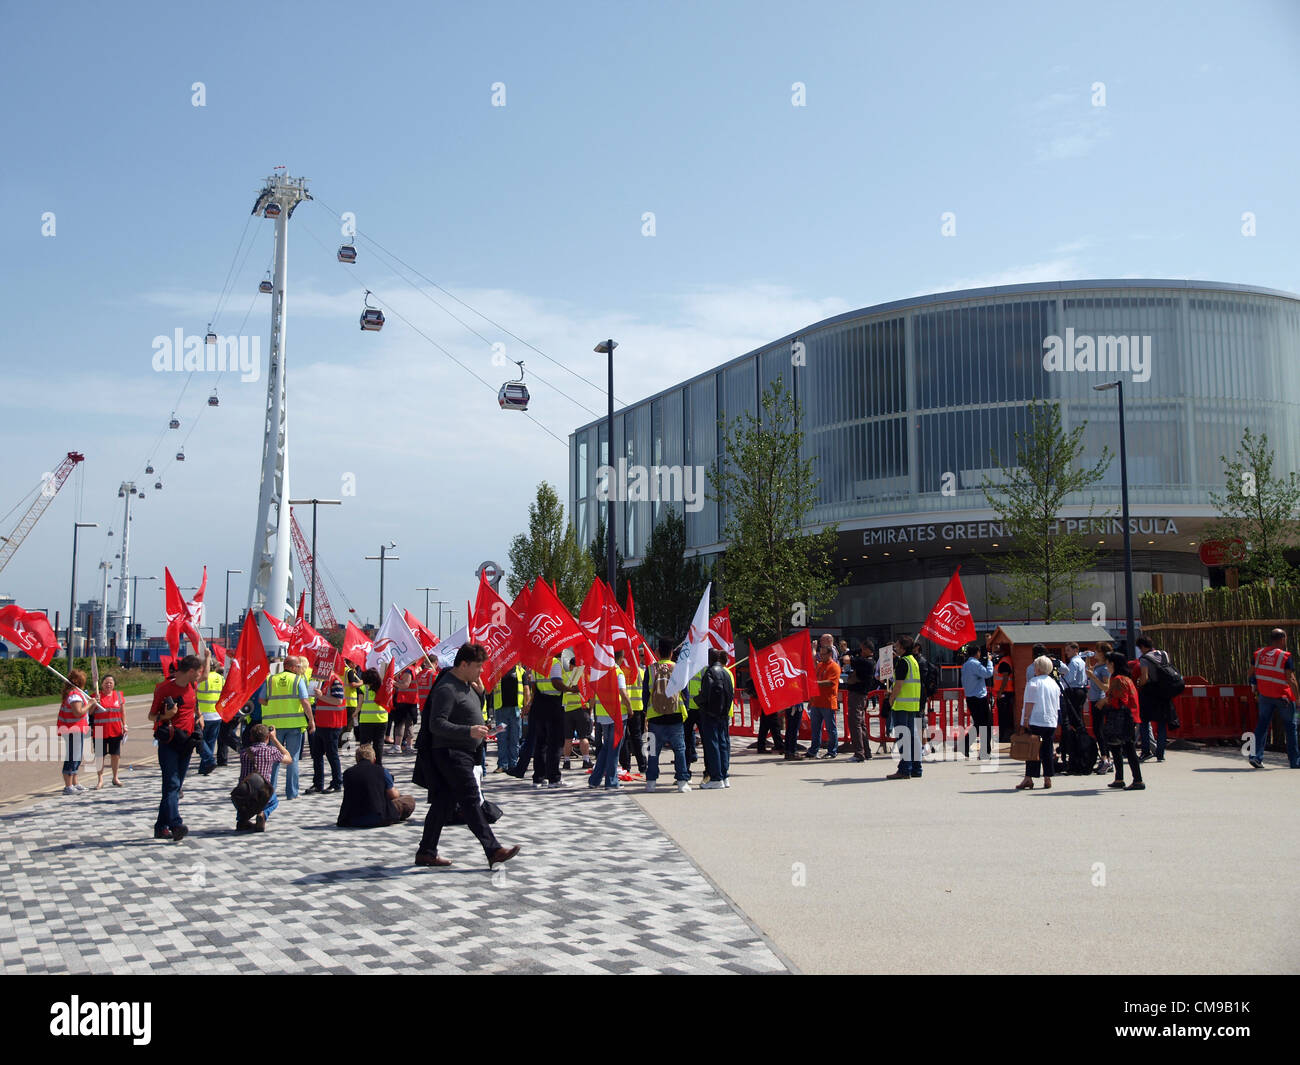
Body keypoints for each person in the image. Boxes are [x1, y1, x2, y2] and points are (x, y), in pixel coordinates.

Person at [413, 643, 520, 868]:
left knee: (443, 803)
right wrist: (468, 731)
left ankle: (426, 852)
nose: (482, 671)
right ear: (464, 664)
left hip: (465, 751)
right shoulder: (447, 688)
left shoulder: (466, 685)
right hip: (451, 752)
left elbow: (469, 712)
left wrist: (480, 700)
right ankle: (493, 850)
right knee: (471, 799)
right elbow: (436, 724)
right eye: (478, 666)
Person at [148, 649, 210, 841]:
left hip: (187, 741)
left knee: (174, 787)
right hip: (169, 742)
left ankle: (161, 827)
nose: (201, 675)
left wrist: (206, 657)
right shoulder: (164, 688)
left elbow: (206, 674)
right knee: (172, 785)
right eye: (198, 671)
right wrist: (167, 715)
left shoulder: (192, 683)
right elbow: (151, 716)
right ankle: (175, 824)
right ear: (191, 671)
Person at [258, 655, 316, 803]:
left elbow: (261, 699)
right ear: (291, 666)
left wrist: (275, 704)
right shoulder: (298, 680)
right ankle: (292, 793)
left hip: (273, 727)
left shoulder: (271, 679)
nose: (299, 669)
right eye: (297, 666)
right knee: (293, 759)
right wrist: (311, 720)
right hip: (294, 725)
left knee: (274, 759)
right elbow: (304, 701)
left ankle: (270, 793)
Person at [1248, 628, 1300, 769]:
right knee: (1291, 727)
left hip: (1265, 696)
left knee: (1262, 726)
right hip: (1284, 698)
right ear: (1283, 639)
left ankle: (1255, 757)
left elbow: (1251, 672)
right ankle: (1295, 762)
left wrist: (1254, 685)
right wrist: (1298, 698)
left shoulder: (1258, 654)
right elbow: (1291, 678)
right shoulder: (1284, 656)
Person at [646, 638, 691, 792]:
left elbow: (646, 694)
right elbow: (685, 693)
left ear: (657, 652)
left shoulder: (651, 669)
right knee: (679, 749)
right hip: (675, 715)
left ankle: (651, 782)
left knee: (653, 750)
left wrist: (647, 714)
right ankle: (682, 782)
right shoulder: (678, 668)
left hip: (654, 716)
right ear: (672, 653)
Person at [1096, 651, 1144, 791]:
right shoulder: (1125, 678)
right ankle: (1119, 778)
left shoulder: (1118, 679)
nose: (1107, 665)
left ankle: (1137, 780)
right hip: (1129, 716)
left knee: (1127, 749)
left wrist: (1106, 701)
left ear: (1113, 664)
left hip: (1123, 718)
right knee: (1117, 748)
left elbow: (1121, 701)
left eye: (1108, 663)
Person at [337, 743, 417, 827]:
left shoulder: (347, 773)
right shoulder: (382, 771)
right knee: (409, 800)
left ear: (357, 759)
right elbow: (393, 794)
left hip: (352, 819)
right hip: (379, 817)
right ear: (374, 759)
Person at [233, 723, 292, 830]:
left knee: (242, 793)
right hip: (262, 794)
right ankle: (263, 814)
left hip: (244, 795)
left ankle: (242, 820)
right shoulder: (271, 751)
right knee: (274, 801)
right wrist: (274, 739)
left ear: (251, 737)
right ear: (267, 738)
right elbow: (289, 759)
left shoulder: (244, 753)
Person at [1015, 655, 1061, 790]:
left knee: (1032, 750)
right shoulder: (1054, 683)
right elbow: (1057, 705)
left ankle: (1029, 777)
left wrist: (1025, 720)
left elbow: (1029, 703)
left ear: (1039, 668)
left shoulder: (1034, 682)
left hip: (1036, 719)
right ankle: (1048, 777)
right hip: (1050, 720)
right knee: (1047, 749)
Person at [589, 650, 633, 789]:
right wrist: (630, 709)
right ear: (620, 658)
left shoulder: (601, 671)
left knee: (607, 747)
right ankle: (611, 781)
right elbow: (623, 693)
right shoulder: (617, 672)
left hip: (603, 714)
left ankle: (594, 780)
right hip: (616, 714)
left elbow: (594, 694)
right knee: (614, 749)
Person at [529, 652, 570, 789]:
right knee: (555, 742)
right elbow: (556, 682)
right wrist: (570, 689)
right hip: (553, 704)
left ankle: (538, 778)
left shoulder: (538, 662)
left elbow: (533, 685)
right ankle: (554, 778)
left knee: (541, 742)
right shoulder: (555, 663)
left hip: (540, 703)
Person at [885, 636, 924, 779]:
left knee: (903, 738)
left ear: (902, 647)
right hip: (912, 704)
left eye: (897, 645)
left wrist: (891, 698)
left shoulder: (903, 662)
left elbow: (899, 684)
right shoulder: (913, 660)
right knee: (912, 737)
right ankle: (916, 768)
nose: (895, 647)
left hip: (902, 704)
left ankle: (904, 769)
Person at [697, 649, 734, 789]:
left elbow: (706, 695)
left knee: (712, 745)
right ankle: (724, 776)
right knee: (723, 744)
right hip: (723, 714)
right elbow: (730, 694)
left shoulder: (710, 672)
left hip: (710, 714)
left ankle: (716, 777)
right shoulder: (726, 673)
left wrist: (699, 700)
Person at [309, 665, 347, 793]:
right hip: (322, 723)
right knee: (317, 754)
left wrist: (321, 697)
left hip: (332, 724)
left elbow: (338, 700)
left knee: (332, 755)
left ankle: (337, 783)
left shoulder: (335, 680)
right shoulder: (322, 681)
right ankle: (318, 783)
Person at [57, 669, 96, 795]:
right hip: (72, 729)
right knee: (72, 756)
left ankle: (75, 782)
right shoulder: (74, 695)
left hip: (78, 729)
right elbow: (78, 712)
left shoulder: (78, 693)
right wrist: (89, 703)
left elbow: (87, 712)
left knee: (77, 756)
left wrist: (93, 704)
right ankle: (68, 785)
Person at [1135, 636, 1172, 762]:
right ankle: (1160, 754)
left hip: (1149, 692)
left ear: (1143, 647)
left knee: (1144, 722)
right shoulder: (1163, 654)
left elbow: (1144, 677)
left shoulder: (1145, 659)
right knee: (1162, 723)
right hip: (1164, 692)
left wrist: (1139, 683)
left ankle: (1146, 751)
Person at [960, 642, 995, 760]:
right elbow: (988, 673)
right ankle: (984, 752)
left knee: (979, 724)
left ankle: (965, 745)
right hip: (979, 698)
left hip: (970, 697)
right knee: (986, 725)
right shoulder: (975, 664)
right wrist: (990, 661)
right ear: (977, 653)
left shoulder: (965, 665)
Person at [807, 643, 840, 759]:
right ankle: (813, 750)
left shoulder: (834, 666)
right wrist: (811, 700)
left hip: (828, 701)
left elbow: (831, 682)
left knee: (831, 728)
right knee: (815, 728)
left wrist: (815, 684)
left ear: (830, 654)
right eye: (820, 654)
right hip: (817, 701)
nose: (821, 656)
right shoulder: (820, 665)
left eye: (823, 654)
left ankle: (832, 751)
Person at [492, 663, 527, 773]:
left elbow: (526, 690)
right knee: (501, 738)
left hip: (515, 711)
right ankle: (502, 764)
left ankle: (513, 764)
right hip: (500, 710)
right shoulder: (497, 670)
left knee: (515, 738)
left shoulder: (521, 671)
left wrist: (526, 706)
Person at [94, 674, 127, 788]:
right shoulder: (95, 696)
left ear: (114, 684)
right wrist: (94, 702)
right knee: (99, 756)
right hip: (99, 730)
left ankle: (115, 777)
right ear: (101, 684)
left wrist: (125, 725)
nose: (108, 684)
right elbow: (89, 713)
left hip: (115, 729)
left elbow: (122, 712)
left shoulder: (118, 695)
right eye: (106, 682)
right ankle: (100, 779)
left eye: (110, 683)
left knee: (115, 755)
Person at [842, 641, 874, 761]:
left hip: (857, 694)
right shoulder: (868, 661)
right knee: (861, 724)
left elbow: (845, 658)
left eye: (862, 650)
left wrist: (852, 651)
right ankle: (866, 752)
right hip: (861, 695)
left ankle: (859, 753)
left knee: (855, 723)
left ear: (866, 650)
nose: (860, 652)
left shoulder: (865, 662)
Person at [1084, 642, 1113, 772]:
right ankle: (1105, 758)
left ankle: (1106, 758)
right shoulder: (1097, 665)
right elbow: (1088, 671)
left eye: (1097, 651)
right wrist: (1087, 659)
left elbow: (1106, 686)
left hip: (1100, 700)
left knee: (1099, 730)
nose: (1095, 653)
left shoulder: (1105, 668)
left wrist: (1093, 677)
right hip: (1093, 699)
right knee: (1097, 730)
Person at [561, 655, 592, 773]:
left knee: (568, 738)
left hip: (568, 711)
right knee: (583, 736)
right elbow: (589, 693)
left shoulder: (564, 676)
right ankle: (586, 760)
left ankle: (567, 762)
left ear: (571, 665)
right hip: (582, 709)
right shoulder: (584, 677)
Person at [195, 657, 225, 776]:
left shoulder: (202, 679)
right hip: (216, 715)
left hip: (202, 715)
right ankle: (204, 767)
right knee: (211, 742)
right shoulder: (221, 678)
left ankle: (208, 761)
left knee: (200, 741)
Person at [619, 657, 648, 776]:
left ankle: (626, 767)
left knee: (624, 738)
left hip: (623, 707)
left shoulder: (621, 672)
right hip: (637, 707)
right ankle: (643, 765)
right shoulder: (640, 672)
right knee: (637, 737)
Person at [355, 668, 389, 766]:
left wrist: (356, 712)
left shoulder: (363, 688)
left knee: (365, 745)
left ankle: (364, 764)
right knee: (378, 744)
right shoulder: (383, 687)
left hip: (366, 719)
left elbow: (360, 704)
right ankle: (378, 765)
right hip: (381, 719)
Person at [391, 665, 420, 754]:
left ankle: (398, 746)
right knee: (408, 724)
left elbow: (405, 685)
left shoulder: (408, 671)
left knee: (401, 724)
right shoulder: (409, 669)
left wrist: (394, 683)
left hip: (405, 701)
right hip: (409, 700)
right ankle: (408, 746)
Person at [992, 644, 1016, 742]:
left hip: (1004, 693)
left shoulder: (1004, 662)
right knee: (1006, 716)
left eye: (997, 652)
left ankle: (1004, 737)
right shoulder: (1007, 660)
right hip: (1006, 692)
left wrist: (1000, 692)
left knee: (1003, 717)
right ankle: (1004, 736)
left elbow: (1005, 678)